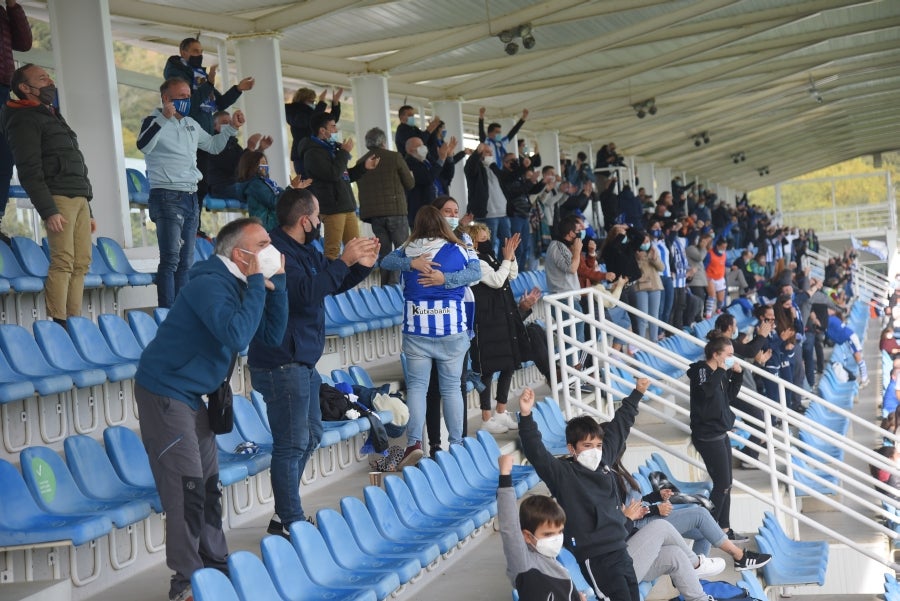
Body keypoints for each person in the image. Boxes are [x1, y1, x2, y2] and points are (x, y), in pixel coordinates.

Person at [134, 217, 288, 601]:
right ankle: (185, 583)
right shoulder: (208, 284)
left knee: (208, 487)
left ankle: (215, 570)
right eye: (264, 243)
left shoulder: (240, 283)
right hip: (165, 391)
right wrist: (256, 283)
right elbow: (236, 333)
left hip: (196, 396)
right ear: (240, 254)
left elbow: (271, 334)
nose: (272, 249)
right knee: (187, 489)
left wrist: (277, 283)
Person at [248, 188, 378, 538]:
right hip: (280, 361)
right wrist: (344, 261)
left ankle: (284, 515)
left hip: (301, 359)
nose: (320, 222)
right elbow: (303, 296)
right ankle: (288, 520)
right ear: (305, 220)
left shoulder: (305, 249)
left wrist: (362, 266)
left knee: (313, 433)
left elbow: (328, 283)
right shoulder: (273, 252)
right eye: (318, 216)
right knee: (291, 442)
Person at [518, 381, 722, 601]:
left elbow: (620, 425)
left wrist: (637, 394)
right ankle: (697, 565)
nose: (594, 451)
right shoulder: (563, 475)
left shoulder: (604, 463)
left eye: (597, 445)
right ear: (572, 449)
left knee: (662, 567)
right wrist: (526, 415)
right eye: (587, 446)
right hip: (598, 559)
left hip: (622, 550)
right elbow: (536, 452)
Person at [380, 205, 481, 466]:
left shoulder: (409, 248)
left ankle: (414, 442)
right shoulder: (458, 248)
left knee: (417, 388)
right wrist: (445, 279)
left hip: (417, 331)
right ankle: (456, 444)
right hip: (452, 330)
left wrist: (410, 263)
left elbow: (386, 261)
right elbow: (475, 273)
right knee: (451, 390)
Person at [137, 77, 245, 308]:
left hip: (191, 197)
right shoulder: (152, 120)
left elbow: (214, 146)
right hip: (167, 196)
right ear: (167, 99)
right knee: (171, 260)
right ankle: (167, 314)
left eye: (189, 96)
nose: (188, 100)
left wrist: (231, 128)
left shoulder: (191, 124)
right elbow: (143, 145)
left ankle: (182, 313)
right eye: (183, 97)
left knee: (186, 261)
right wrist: (164, 118)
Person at [2, 64, 93, 327]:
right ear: (24, 87)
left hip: (79, 196)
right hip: (58, 197)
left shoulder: (50, 113)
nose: (49, 81)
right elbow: (29, 168)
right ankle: (59, 322)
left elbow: (75, 159)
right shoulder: (21, 118)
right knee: (63, 261)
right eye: (42, 78)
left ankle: (74, 321)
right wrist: (48, 209)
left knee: (81, 262)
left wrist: (90, 208)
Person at [608, 446, 771, 571]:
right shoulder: (609, 478)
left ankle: (696, 581)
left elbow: (636, 502)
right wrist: (656, 510)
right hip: (639, 529)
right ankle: (739, 556)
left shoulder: (616, 470)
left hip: (646, 520)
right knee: (701, 515)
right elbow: (626, 514)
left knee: (705, 532)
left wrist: (656, 496)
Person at [163, 37, 254, 202]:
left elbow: (219, 103)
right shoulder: (176, 73)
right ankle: (190, 227)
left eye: (201, 52)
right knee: (189, 186)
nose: (200, 55)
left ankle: (195, 227)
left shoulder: (200, 75)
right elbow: (189, 103)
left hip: (205, 136)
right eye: (195, 51)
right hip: (187, 135)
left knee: (202, 186)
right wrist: (209, 84)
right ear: (183, 52)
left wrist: (238, 88)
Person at [422, 196, 475, 457]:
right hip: (428, 322)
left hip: (460, 319)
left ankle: (460, 440)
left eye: (456, 211)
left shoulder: (464, 242)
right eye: (447, 211)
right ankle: (434, 445)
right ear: (436, 214)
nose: (452, 216)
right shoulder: (421, 244)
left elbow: (473, 277)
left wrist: (446, 279)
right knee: (433, 387)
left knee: (459, 384)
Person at [497, 450, 582, 601]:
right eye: (548, 534)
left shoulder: (553, 562)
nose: (556, 539)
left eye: (559, 531)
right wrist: (505, 475)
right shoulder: (524, 564)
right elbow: (509, 526)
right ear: (527, 536)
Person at [297, 112, 379, 259]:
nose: (336, 130)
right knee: (333, 251)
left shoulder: (333, 149)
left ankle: (351, 280)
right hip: (333, 208)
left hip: (347, 205)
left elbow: (345, 176)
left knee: (355, 249)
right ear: (322, 130)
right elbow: (332, 174)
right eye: (333, 126)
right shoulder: (313, 153)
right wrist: (344, 153)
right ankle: (331, 281)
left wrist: (364, 167)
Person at [469, 224, 526, 435]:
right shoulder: (474, 261)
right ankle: (486, 416)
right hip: (485, 319)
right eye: (482, 238)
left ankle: (501, 410)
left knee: (508, 363)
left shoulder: (491, 258)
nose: (487, 242)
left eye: (487, 237)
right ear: (474, 241)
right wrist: (506, 260)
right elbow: (496, 280)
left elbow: (511, 275)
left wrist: (510, 257)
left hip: (502, 316)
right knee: (488, 368)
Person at [688, 334, 744, 543]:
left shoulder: (719, 374)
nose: (732, 358)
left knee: (727, 484)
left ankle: (724, 528)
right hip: (707, 436)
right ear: (716, 354)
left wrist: (737, 375)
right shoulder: (702, 371)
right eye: (728, 354)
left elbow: (727, 396)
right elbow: (708, 391)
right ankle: (709, 529)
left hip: (720, 433)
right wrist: (722, 369)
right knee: (721, 484)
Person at [355, 127, 415, 286]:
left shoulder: (360, 163)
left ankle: (386, 286)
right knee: (401, 249)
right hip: (396, 211)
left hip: (375, 215)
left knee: (384, 251)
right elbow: (409, 183)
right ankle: (400, 285)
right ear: (383, 141)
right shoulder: (394, 157)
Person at [0, 0, 31, 243]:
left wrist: (12, 6)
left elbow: (24, 43)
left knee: (4, 155)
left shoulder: (2, 12)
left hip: (2, 89)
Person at [234, 150, 310, 231]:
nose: (265, 166)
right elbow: (275, 202)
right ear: (251, 166)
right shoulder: (255, 185)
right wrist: (291, 188)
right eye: (262, 163)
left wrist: (295, 189)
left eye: (265, 163)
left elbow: (281, 195)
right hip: (268, 226)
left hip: (274, 224)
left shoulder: (266, 182)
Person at [285, 87, 341, 176]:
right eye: (312, 101)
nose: (314, 104)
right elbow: (307, 121)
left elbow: (329, 121)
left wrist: (335, 103)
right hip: (302, 155)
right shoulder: (292, 112)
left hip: (315, 152)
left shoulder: (312, 113)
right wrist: (321, 103)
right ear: (303, 100)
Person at [404, 136, 456, 226]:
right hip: (423, 212)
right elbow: (427, 178)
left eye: (423, 145)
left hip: (440, 206)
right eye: (419, 146)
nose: (423, 147)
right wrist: (441, 159)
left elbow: (447, 175)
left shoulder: (427, 160)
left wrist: (449, 157)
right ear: (409, 150)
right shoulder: (408, 163)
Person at [634, 230, 664, 342]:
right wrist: (639, 259)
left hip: (655, 286)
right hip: (640, 287)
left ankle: (654, 341)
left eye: (648, 241)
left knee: (654, 316)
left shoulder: (653, 251)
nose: (646, 243)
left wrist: (654, 258)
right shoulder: (634, 254)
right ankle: (641, 343)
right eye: (644, 241)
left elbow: (662, 268)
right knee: (642, 317)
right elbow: (635, 271)